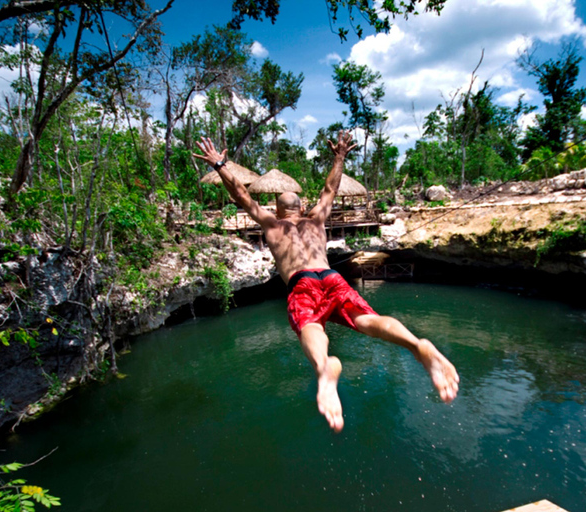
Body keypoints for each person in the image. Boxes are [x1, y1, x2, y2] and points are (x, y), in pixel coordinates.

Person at [193, 131, 459, 433]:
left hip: (301, 282)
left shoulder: (271, 223)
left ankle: (324, 366)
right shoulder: (317, 219)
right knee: (368, 320)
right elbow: (331, 188)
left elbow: (241, 194)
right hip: (332, 277)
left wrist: (220, 165)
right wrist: (340, 156)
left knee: (311, 327)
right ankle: (416, 344)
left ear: (277, 211)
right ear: (302, 208)